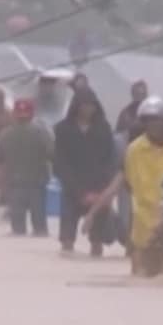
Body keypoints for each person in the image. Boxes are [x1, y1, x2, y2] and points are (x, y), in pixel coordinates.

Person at [84, 96, 163, 276]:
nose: (154, 125)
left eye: (158, 120)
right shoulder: (134, 150)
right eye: (149, 121)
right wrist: (92, 214)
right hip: (144, 225)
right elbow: (117, 184)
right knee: (140, 278)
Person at [53, 89, 117, 256]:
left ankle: (96, 256)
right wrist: (78, 191)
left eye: (91, 106)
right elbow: (60, 163)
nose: (88, 110)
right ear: (76, 107)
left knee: (97, 239)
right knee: (67, 238)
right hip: (72, 188)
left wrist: (103, 189)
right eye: (84, 106)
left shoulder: (103, 129)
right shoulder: (62, 129)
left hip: (98, 188)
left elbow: (111, 160)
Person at [0, 99, 53, 236]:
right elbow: (53, 154)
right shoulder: (42, 133)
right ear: (32, 114)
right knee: (40, 229)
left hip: (14, 183)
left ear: (14, 114)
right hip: (37, 182)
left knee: (17, 230)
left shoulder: (6, 134)